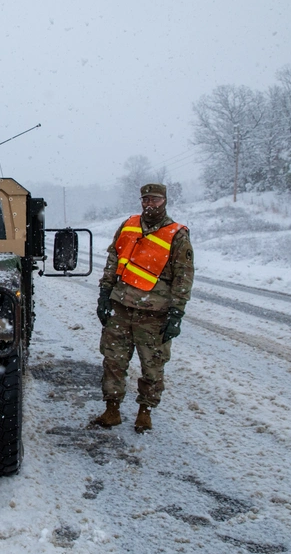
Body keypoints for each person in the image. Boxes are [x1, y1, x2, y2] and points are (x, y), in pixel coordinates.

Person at [90, 183, 194, 433]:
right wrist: (104, 294)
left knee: (153, 366)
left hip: (154, 313)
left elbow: (184, 275)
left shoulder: (177, 234)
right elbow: (113, 259)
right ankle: (112, 410)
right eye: (145, 199)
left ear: (165, 201)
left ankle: (144, 412)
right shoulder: (128, 225)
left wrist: (177, 312)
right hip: (121, 307)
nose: (149, 204)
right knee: (113, 361)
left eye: (155, 200)